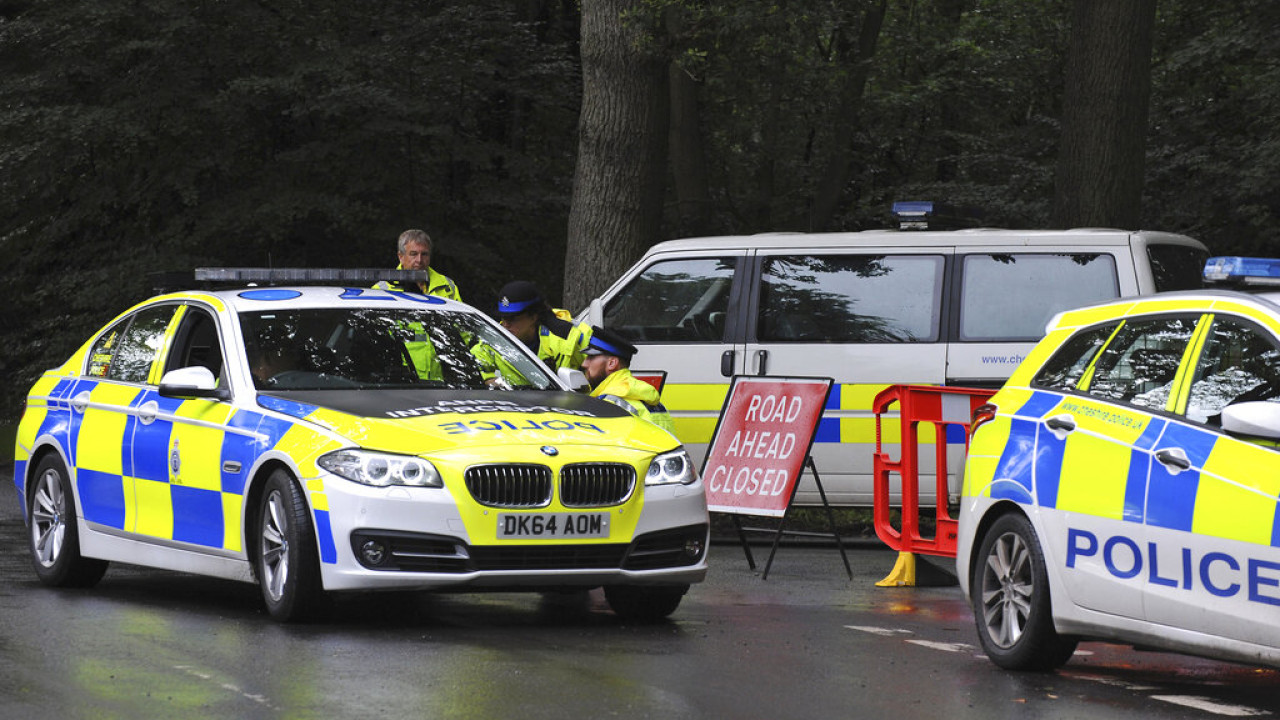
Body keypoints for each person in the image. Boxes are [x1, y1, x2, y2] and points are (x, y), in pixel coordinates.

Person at [580, 325, 676, 434]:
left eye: (591, 357)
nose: (584, 364)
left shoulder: (608, 406)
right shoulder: (651, 401)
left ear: (612, 363)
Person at [493, 280, 592, 371]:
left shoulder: (571, 336)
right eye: (503, 317)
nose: (506, 324)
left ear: (533, 317)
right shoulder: (491, 340)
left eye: (512, 318)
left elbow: (603, 368)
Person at [373, 228, 462, 301]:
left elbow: (459, 320)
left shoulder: (447, 286)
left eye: (424, 254)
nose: (419, 260)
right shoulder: (381, 289)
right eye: (413, 254)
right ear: (401, 257)